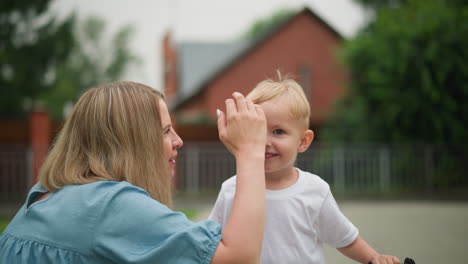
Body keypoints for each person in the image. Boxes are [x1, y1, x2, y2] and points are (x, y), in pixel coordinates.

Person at [0, 81, 268, 264]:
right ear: (129, 143)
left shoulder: (43, 197)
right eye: (165, 131)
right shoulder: (109, 204)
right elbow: (238, 258)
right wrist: (251, 151)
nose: (178, 141)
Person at [208, 73, 401, 264]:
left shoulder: (315, 190)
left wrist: (374, 258)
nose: (265, 141)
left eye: (278, 131)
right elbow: (210, 242)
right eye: (259, 129)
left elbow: (345, 238)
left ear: (303, 141)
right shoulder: (231, 189)